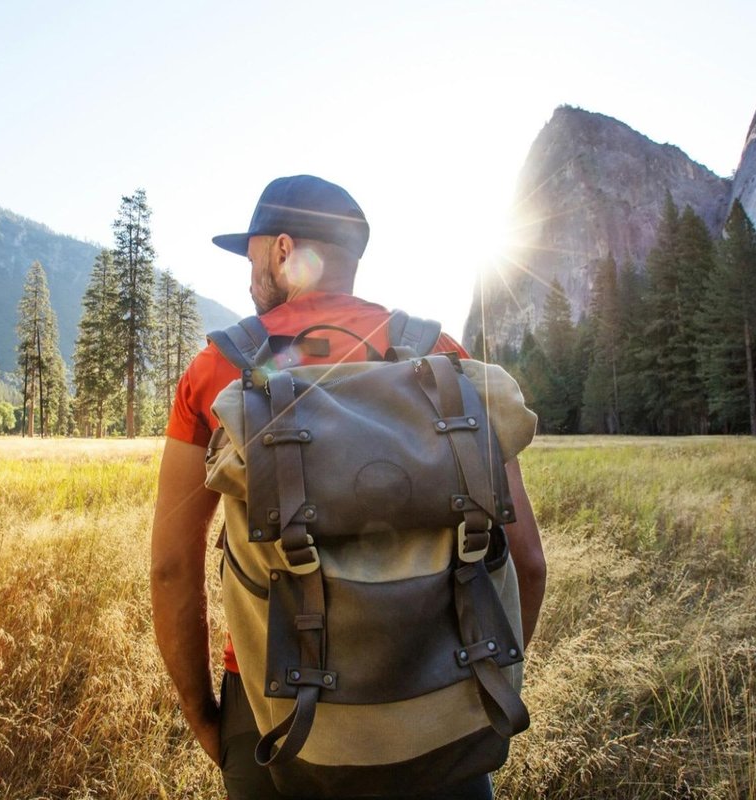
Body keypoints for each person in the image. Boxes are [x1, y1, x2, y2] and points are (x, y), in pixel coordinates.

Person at [150, 175, 547, 799]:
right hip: (441, 703)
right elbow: (526, 560)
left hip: (272, 710)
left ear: (283, 250)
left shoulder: (218, 370)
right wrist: (482, 685)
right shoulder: (442, 360)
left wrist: (209, 716)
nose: (248, 275)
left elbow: (172, 568)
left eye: (252, 257)